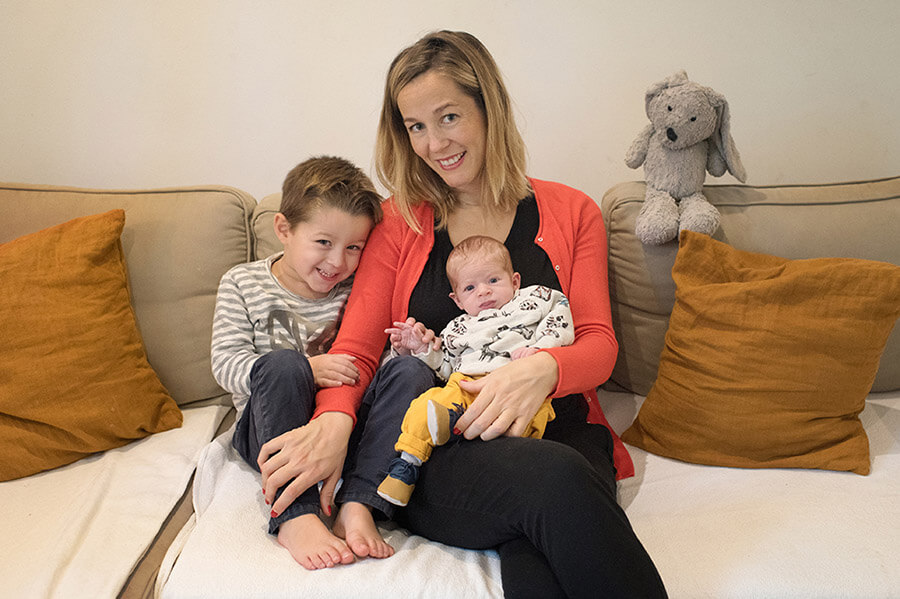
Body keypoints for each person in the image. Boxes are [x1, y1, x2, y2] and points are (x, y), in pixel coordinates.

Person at [259, 31, 668, 598]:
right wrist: (336, 420)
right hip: (440, 445)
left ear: (488, 109)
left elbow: (598, 344)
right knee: (555, 481)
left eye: (449, 117)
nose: (433, 143)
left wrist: (543, 371)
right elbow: (354, 351)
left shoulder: (573, 211)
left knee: (539, 539)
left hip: (561, 430)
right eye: (416, 126)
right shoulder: (397, 220)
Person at [210, 155, 391, 571]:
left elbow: (372, 358)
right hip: (266, 426)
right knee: (283, 364)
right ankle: (295, 514)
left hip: (340, 427)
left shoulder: (355, 289)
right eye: (323, 243)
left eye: (354, 248)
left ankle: (359, 501)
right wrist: (309, 369)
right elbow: (225, 363)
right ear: (284, 229)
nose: (337, 262)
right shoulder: (242, 282)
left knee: (405, 372)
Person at [377, 235, 574, 507]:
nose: (483, 291)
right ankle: (406, 467)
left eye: (493, 281)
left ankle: (456, 424)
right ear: (457, 300)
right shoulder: (457, 329)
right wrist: (419, 349)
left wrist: (542, 351)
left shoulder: (535, 299)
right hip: (464, 385)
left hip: (519, 388)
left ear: (515, 281)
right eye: (470, 288)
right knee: (424, 406)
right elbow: (444, 367)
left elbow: (561, 316)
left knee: (522, 425)